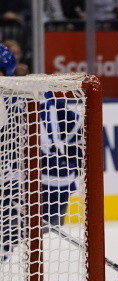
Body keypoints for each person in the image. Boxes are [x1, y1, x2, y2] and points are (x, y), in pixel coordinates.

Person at [0, 44, 84, 262]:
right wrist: (72, 168)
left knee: (7, 240)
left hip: (28, 182)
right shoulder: (44, 94)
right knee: (12, 239)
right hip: (57, 180)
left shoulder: (9, 100)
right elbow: (77, 130)